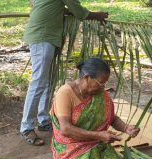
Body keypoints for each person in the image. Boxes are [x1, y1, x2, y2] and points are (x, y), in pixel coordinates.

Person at [21, 0, 109, 146]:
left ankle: (43, 120)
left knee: (47, 81)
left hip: (46, 36)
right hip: (43, 35)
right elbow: (79, 11)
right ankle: (26, 127)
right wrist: (96, 15)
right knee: (38, 82)